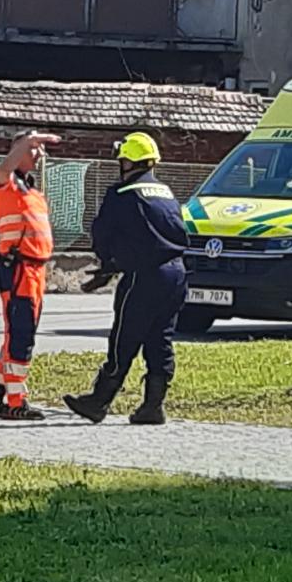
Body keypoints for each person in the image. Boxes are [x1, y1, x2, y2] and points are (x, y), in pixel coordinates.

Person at [65, 132, 189, 426]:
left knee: (124, 337)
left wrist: (106, 267)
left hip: (144, 277)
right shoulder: (166, 193)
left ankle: (99, 401)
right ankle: (153, 406)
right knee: (160, 338)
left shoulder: (122, 194)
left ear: (128, 162)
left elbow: (104, 234)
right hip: (177, 274)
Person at [0, 130, 61, 421]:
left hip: (35, 270)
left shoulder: (31, 190)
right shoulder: (5, 183)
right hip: (18, 268)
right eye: (33, 149)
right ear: (18, 150)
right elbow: (3, 169)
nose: (39, 154)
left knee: (20, 333)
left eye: (39, 150)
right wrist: (26, 142)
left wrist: (30, 145)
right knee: (20, 336)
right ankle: (16, 401)